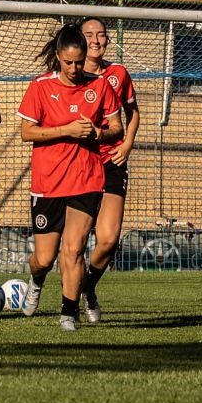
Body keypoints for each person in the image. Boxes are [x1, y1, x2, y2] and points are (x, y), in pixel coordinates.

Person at [16, 23, 123, 332]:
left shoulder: (101, 86)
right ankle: (35, 281)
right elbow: (27, 132)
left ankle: (68, 312)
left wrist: (98, 132)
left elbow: (117, 126)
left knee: (74, 249)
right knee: (45, 258)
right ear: (59, 58)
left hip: (87, 179)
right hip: (48, 182)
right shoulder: (40, 86)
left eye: (79, 62)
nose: (75, 68)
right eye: (68, 62)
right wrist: (67, 130)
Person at [78, 16, 139, 323]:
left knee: (108, 238)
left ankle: (87, 289)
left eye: (101, 34)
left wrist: (127, 144)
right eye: (90, 35)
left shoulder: (118, 73)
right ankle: (67, 300)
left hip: (112, 161)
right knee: (73, 241)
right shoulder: (70, 74)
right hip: (78, 162)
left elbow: (133, 113)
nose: (97, 40)